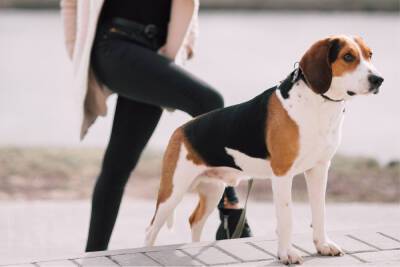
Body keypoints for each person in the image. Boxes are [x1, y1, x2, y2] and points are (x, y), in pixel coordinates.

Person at [60, 0, 252, 252]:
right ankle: (230, 209)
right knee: (208, 100)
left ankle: (93, 255)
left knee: (118, 164)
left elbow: (188, 6)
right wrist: (79, 54)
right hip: (114, 45)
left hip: (155, 55)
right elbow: (71, 4)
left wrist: (179, 50)